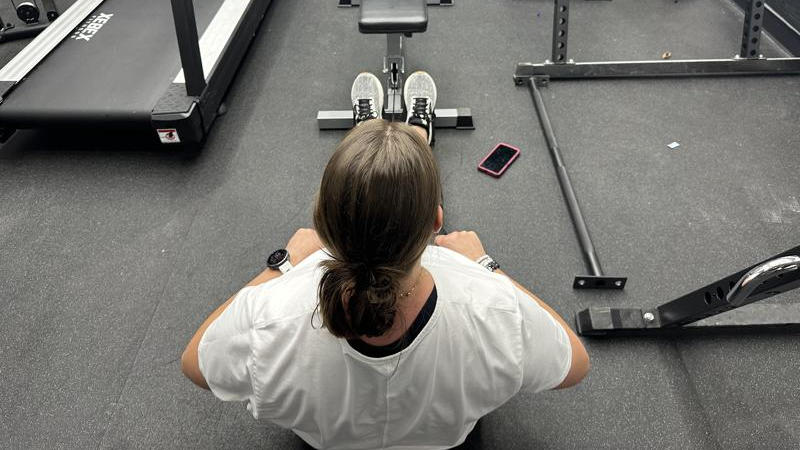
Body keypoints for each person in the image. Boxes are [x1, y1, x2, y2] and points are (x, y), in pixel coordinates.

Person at [181, 71, 589, 450]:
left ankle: (373, 141)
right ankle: (416, 136)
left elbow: (195, 363)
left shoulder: (271, 316)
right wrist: (485, 264)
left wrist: (284, 263)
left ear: (322, 223)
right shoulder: (492, 306)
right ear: (436, 223)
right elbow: (575, 364)